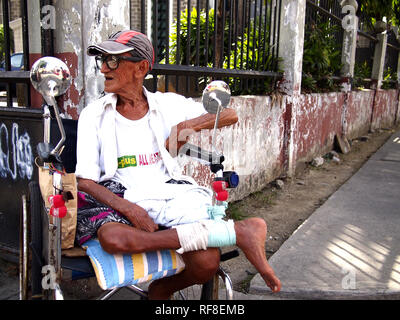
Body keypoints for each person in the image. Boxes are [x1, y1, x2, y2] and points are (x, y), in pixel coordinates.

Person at [75, 30, 281, 299]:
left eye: (113, 61)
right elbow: (85, 181)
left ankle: (162, 289)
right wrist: (131, 210)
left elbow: (229, 113)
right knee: (113, 239)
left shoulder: (168, 104)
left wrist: (187, 126)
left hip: (168, 192)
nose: (103, 68)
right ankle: (233, 232)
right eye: (102, 60)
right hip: (119, 195)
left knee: (207, 263)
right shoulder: (94, 115)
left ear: (141, 68)